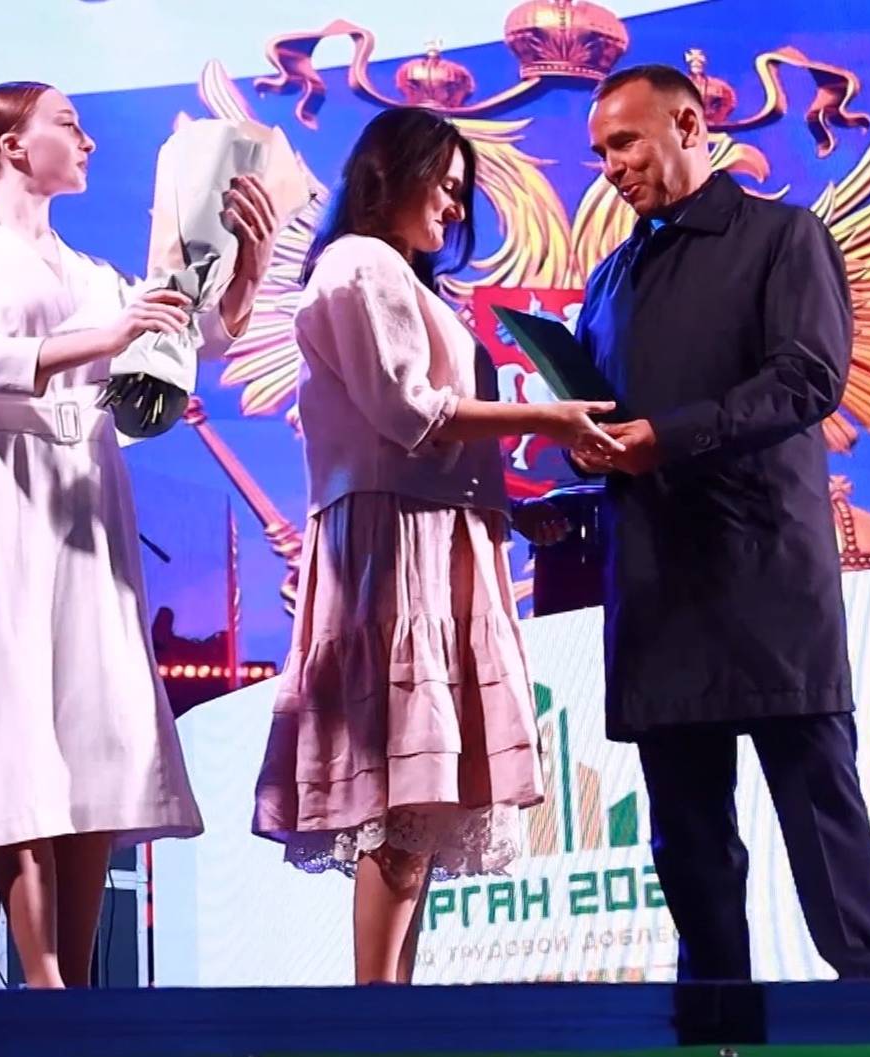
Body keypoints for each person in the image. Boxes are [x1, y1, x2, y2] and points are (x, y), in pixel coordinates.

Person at [0, 80, 276, 989]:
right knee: (16, 718)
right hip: (10, 486)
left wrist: (248, 271)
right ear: (10, 144)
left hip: (91, 491)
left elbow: (186, 342)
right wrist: (106, 335)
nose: (88, 142)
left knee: (95, 721)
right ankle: (40, 979)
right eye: (68, 124)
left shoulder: (95, 272)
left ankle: (73, 987)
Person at [251, 107, 624, 985]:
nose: (455, 208)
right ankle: (376, 1010)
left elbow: (420, 428)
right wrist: (547, 418)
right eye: (445, 186)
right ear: (389, 175)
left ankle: (393, 1005)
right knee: (400, 791)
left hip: (430, 530)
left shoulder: (390, 274)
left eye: (461, 192)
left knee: (417, 800)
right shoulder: (360, 264)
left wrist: (506, 508)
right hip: (396, 544)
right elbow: (407, 412)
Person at [569, 64, 870, 982]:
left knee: (820, 811)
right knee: (685, 839)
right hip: (655, 583)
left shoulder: (784, 236)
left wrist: (663, 439)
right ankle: (715, 1016)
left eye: (624, 142)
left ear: (687, 124)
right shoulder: (608, 279)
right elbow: (601, 417)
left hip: (765, 573)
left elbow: (806, 379)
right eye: (600, 151)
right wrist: (577, 472)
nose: (610, 166)